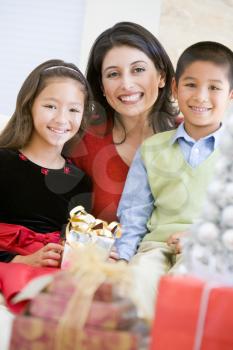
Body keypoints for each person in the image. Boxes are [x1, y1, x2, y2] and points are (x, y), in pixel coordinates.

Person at [115, 41, 233, 319]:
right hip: (155, 248)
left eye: (214, 87)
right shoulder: (152, 148)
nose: (201, 97)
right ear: (175, 87)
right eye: (191, 85)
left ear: (230, 95)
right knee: (134, 285)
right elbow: (134, 213)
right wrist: (120, 257)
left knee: (185, 291)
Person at [72, 21, 179, 222]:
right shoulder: (81, 138)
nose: (126, 84)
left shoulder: (193, 136)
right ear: (102, 87)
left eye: (138, 69)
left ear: (161, 76)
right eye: (113, 74)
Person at [0, 59, 92, 267]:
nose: (62, 119)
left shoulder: (80, 181)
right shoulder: (4, 162)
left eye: (73, 110)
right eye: (50, 106)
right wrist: (22, 260)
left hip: (53, 275)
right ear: (29, 105)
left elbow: (76, 243)